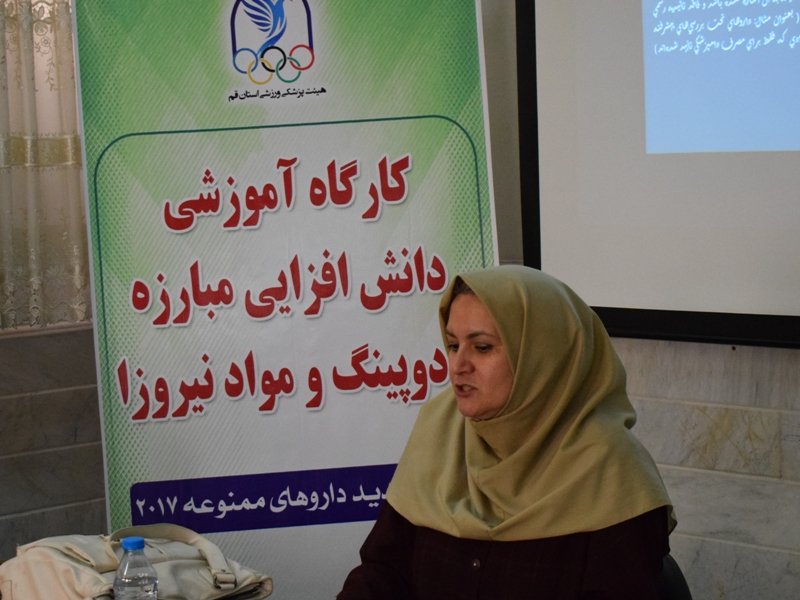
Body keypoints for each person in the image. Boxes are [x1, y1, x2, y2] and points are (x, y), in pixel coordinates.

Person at [337, 265, 675, 600]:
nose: (458, 366)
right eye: (453, 345)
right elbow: (384, 570)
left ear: (541, 356)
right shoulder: (439, 428)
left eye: (482, 347)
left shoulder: (613, 471)